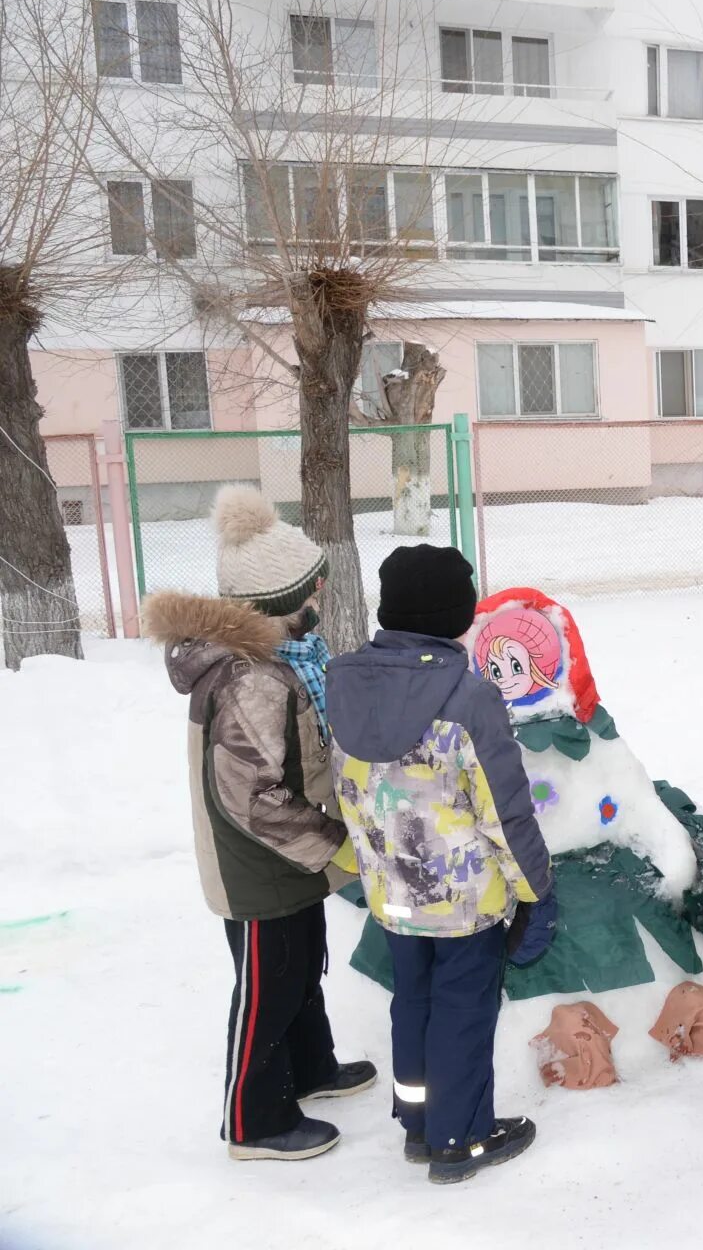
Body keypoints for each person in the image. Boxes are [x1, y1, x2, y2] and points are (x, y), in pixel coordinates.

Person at [145, 485, 373, 1163]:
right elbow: (252, 798)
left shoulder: (283, 661)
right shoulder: (251, 680)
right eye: (312, 586)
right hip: (256, 862)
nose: (323, 591)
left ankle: (310, 1070)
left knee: (302, 966)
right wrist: (335, 844)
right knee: (266, 987)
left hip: (286, 855)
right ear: (283, 603)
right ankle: (252, 1120)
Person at [327, 545, 557, 1185]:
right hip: (463, 900)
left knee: (414, 1004)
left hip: (392, 893)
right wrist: (537, 891)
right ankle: (461, 1140)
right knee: (463, 1009)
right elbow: (504, 812)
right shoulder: (468, 695)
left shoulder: (343, 683)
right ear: (456, 614)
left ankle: (421, 1124)